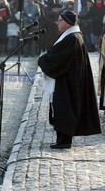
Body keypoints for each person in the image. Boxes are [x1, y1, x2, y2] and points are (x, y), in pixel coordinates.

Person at [38, 10, 101, 149]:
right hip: (66, 79)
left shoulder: (72, 38)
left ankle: (64, 140)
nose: (57, 23)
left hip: (67, 81)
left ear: (67, 23)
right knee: (62, 108)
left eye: (60, 20)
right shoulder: (71, 36)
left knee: (65, 109)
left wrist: (43, 60)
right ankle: (62, 139)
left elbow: (58, 58)